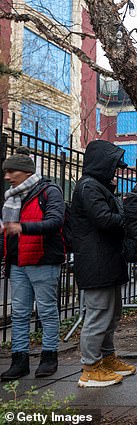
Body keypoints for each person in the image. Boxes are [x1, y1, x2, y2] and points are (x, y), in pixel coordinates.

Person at [72, 139, 136, 388]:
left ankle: (106, 358)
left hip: (106, 261)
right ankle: (90, 367)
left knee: (111, 314)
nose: (116, 172)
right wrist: (128, 215)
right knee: (99, 314)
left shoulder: (98, 187)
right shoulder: (89, 187)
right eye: (113, 166)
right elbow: (104, 220)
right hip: (96, 262)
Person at [0, 147, 65, 381]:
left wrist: (22, 227)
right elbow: (6, 232)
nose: (7, 177)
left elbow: (56, 222)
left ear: (26, 172)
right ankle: (20, 361)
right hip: (17, 262)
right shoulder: (12, 196)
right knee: (19, 313)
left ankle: (49, 357)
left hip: (42, 260)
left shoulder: (49, 191)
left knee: (46, 311)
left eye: (11, 171)